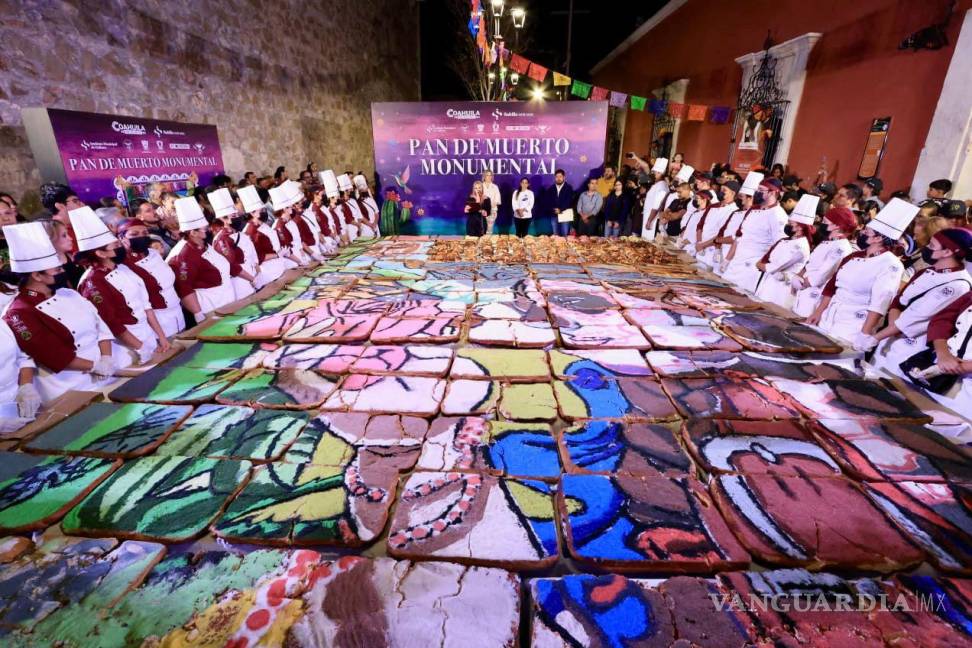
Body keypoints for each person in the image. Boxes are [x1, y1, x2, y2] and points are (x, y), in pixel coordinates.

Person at [2, 222, 116, 403]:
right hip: (69, 389)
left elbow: (100, 326)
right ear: (37, 276)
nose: (63, 272)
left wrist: (106, 360)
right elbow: (53, 354)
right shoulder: (19, 312)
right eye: (57, 270)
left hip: (105, 374)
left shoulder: (68, 293)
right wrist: (96, 366)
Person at [70, 206, 170, 368]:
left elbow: (146, 306)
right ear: (101, 253)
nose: (120, 247)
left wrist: (161, 336)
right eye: (115, 245)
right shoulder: (92, 283)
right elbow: (111, 323)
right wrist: (141, 348)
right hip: (127, 349)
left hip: (147, 336)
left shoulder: (123, 268)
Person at [807, 198, 918, 343]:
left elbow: (880, 303)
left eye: (867, 231)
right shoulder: (854, 256)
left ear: (877, 238)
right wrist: (819, 311)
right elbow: (832, 286)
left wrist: (865, 333)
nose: (862, 232)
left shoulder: (891, 264)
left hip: (854, 324)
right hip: (829, 316)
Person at [864, 228, 972, 373]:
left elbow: (915, 317)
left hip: (910, 346)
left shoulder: (958, 284)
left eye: (932, 246)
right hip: (890, 335)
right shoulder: (926, 271)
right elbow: (899, 301)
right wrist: (891, 326)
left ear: (948, 252)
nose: (927, 248)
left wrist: (875, 337)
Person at [168, 197, 237, 325]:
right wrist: (199, 314)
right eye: (204, 229)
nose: (209, 230)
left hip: (225, 301)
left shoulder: (203, 244)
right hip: (209, 308)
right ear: (192, 233)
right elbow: (184, 288)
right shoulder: (183, 255)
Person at [116, 218, 186, 336]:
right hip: (155, 320)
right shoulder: (122, 264)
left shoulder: (153, 253)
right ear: (121, 238)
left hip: (177, 311)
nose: (141, 237)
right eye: (134, 234)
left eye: (145, 233)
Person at [721, 177, 788, 293]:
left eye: (761, 190)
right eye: (757, 189)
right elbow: (739, 237)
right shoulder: (753, 210)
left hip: (751, 269)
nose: (757, 192)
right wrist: (727, 260)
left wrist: (769, 267)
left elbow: (779, 245)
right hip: (736, 263)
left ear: (772, 192)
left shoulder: (778, 215)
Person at [790, 207, 858, 318]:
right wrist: (798, 276)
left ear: (836, 226)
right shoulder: (827, 242)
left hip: (814, 294)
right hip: (804, 290)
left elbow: (823, 273)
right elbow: (810, 263)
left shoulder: (841, 247)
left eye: (825, 222)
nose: (822, 224)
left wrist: (802, 283)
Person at [754, 195, 818, 310]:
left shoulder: (800, 246)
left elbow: (775, 266)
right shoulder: (786, 241)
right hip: (769, 283)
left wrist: (759, 264)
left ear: (800, 227)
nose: (788, 225)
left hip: (781, 288)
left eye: (791, 223)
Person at [238, 185, 297, 286]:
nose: (264, 211)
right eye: (261, 210)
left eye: (263, 209)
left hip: (279, 267)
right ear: (252, 213)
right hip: (268, 273)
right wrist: (277, 255)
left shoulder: (264, 225)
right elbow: (258, 257)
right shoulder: (251, 232)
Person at [695, 180, 740, 270]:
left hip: (713, 251)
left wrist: (704, 245)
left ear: (733, 193)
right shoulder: (712, 206)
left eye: (724, 190)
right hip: (700, 249)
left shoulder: (734, 211)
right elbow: (700, 225)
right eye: (721, 189)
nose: (721, 192)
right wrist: (699, 242)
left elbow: (722, 233)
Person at [641, 158, 669, 241]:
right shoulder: (656, 184)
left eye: (654, 172)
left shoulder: (662, 186)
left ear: (660, 173)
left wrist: (649, 220)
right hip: (648, 216)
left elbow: (657, 205)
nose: (653, 174)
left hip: (653, 219)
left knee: (650, 242)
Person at [547, 169, 574, 236]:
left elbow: (569, 201)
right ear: (555, 178)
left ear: (564, 177)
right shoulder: (551, 188)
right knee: (555, 235)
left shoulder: (568, 188)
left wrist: (560, 209)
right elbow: (548, 201)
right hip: (554, 214)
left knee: (565, 234)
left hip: (564, 214)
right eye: (557, 177)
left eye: (560, 177)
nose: (558, 178)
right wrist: (553, 209)